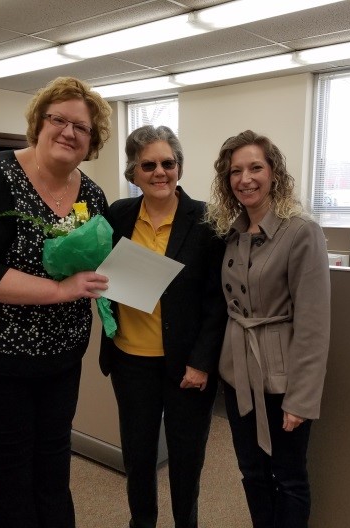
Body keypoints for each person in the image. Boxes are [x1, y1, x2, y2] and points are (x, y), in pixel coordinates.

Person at [0, 76, 112, 528]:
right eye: (59, 120)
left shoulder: (92, 195)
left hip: (61, 355)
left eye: (82, 127)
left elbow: (94, 260)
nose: (69, 132)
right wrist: (59, 291)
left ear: (92, 140)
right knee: (11, 466)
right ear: (39, 123)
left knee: (54, 460)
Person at [99, 125, 227, 528]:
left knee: (186, 460)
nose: (160, 172)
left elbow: (217, 301)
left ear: (179, 168)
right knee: (137, 458)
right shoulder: (118, 215)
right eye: (148, 165)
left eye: (168, 163)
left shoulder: (207, 221)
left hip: (187, 366)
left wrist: (202, 362)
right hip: (129, 361)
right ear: (133, 173)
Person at [205, 130, 331, 528]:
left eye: (255, 167)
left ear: (273, 172)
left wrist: (301, 399)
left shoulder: (301, 231)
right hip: (237, 373)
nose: (245, 179)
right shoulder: (231, 232)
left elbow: (314, 323)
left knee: (289, 478)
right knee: (252, 472)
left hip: (283, 379)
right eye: (235, 171)